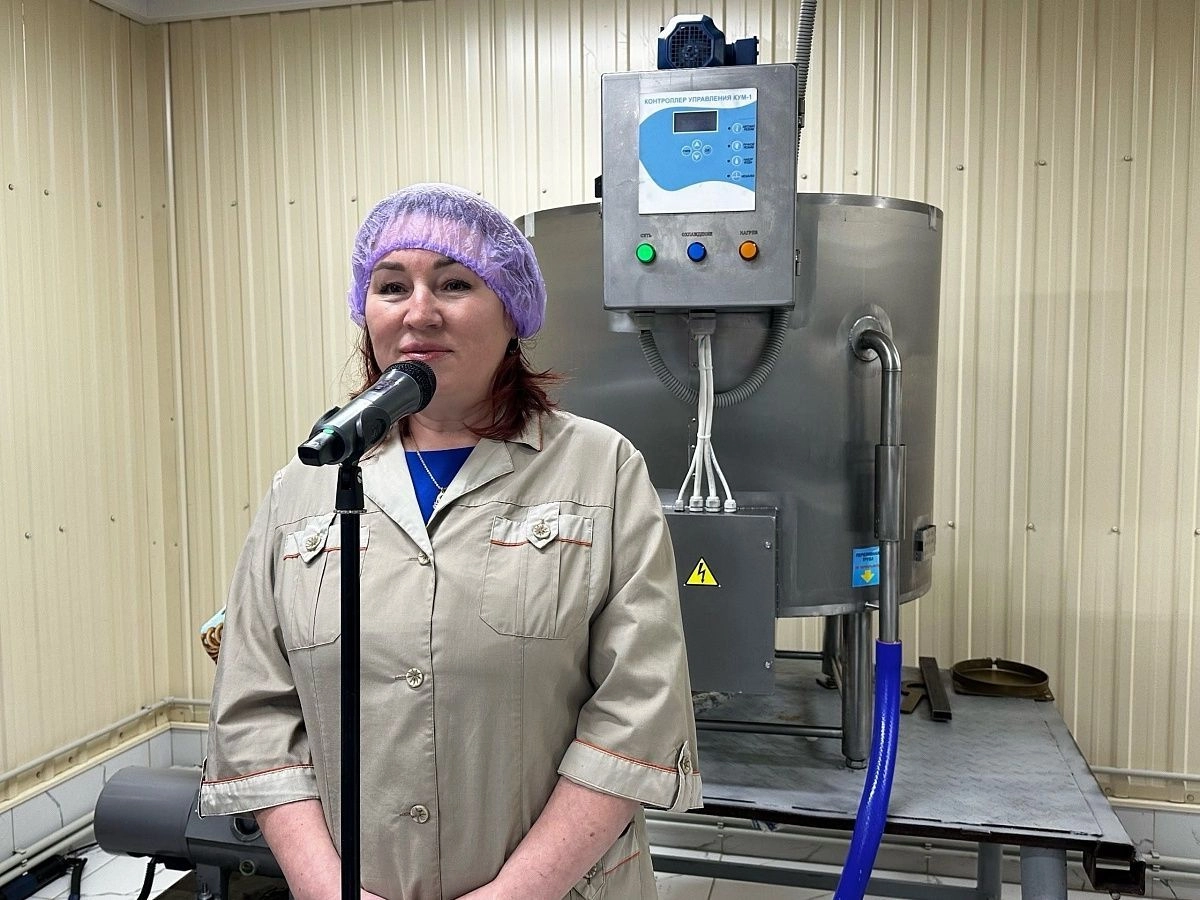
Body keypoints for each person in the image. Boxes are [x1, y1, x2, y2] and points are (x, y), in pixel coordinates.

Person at [199, 183, 702, 900]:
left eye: (455, 283)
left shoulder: (600, 469)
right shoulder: (308, 481)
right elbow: (256, 710)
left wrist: (514, 894)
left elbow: (639, 710)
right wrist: (328, 889)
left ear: (513, 312)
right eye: (391, 286)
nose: (418, 312)